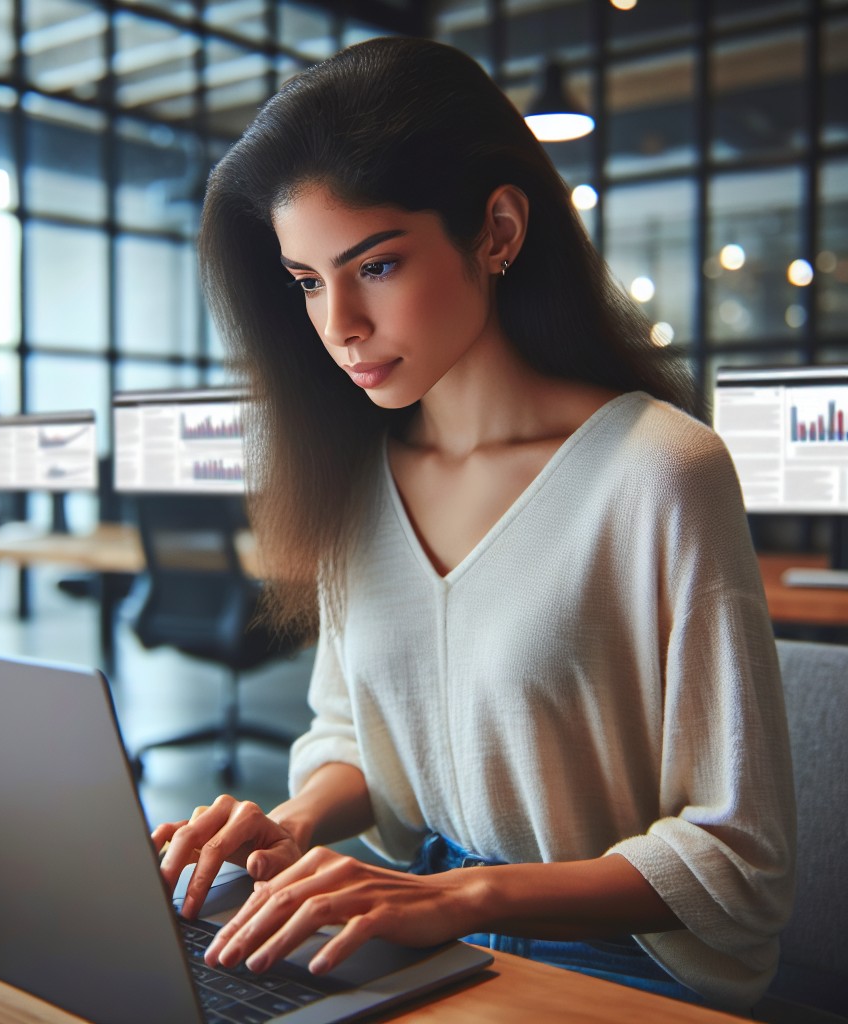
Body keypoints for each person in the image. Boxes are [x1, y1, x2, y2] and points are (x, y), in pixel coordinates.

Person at [153, 36, 795, 1013]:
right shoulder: (355, 477)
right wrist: (292, 823)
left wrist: (461, 895)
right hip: (408, 914)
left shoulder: (659, 470)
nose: (339, 327)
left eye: (374, 264)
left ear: (496, 229)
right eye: (307, 280)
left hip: (621, 953)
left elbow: (738, 853)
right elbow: (354, 729)